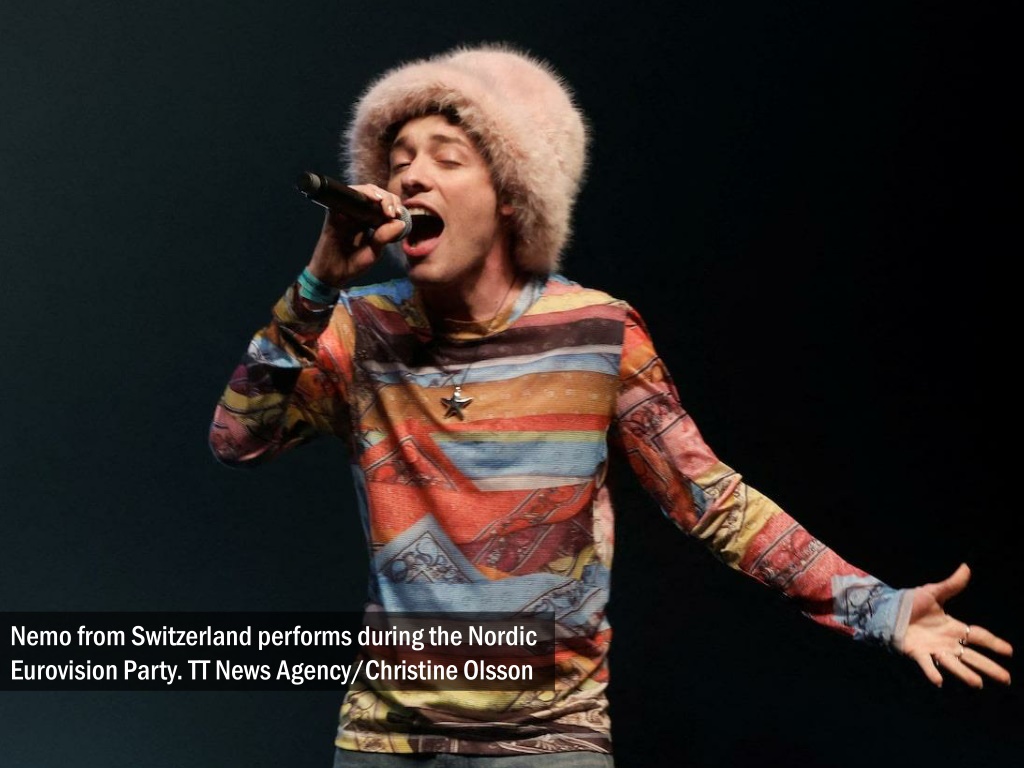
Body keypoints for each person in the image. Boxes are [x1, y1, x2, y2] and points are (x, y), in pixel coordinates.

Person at [209, 43, 1012, 766]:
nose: (411, 177)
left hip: (548, 740)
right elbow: (237, 439)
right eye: (399, 161)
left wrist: (879, 608)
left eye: (447, 158)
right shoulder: (358, 329)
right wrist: (316, 287)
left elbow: (711, 501)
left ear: (512, 194)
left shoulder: (599, 331)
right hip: (386, 739)